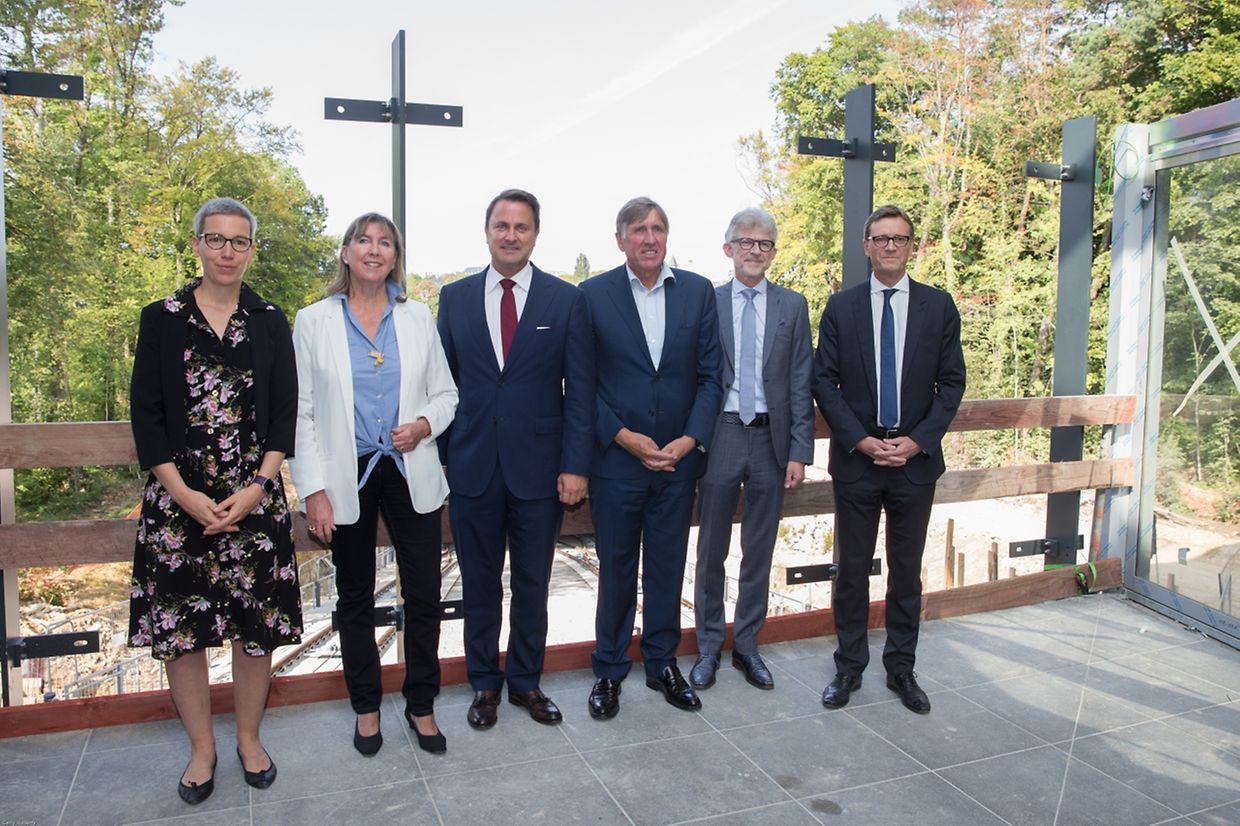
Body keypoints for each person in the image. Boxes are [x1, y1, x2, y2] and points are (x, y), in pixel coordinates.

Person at [128, 197, 301, 804]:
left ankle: (248, 739)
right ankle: (202, 749)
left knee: (255, 629)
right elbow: (146, 417)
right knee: (185, 630)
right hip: (180, 503)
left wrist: (257, 487)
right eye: (216, 239)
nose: (228, 251)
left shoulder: (272, 319)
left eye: (240, 241)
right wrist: (182, 494)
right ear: (198, 244)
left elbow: (285, 413)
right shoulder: (163, 317)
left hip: (256, 496)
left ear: (252, 249)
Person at [288, 213, 458, 754]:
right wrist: (312, 489)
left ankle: (422, 704)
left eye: (386, 242)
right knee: (355, 596)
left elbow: (446, 394)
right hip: (347, 473)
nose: (374, 249)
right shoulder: (313, 321)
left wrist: (424, 425)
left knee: (425, 594)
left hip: (410, 467)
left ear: (395, 257)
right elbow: (302, 414)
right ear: (345, 252)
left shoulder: (417, 316)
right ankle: (366, 706)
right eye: (364, 239)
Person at [437, 189, 594, 729]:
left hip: (539, 471)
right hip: (473, 467)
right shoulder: (454, 299)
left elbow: (581, 390)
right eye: (501, 225)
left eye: (521, 227)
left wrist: (575, 465)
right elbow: (443, 387)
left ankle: (526, 682)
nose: (510, 235)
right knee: (478, 585)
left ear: (535, 235)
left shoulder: (564, 299)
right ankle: (484, 684)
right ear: (486, 231)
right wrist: (442, 461)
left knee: (532, 584)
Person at [812, 204, 966, 715]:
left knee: (906, 570)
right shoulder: (842, 307)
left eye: (900, 238)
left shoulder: (938, 307)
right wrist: (858, 439)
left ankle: (901, 667)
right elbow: (823, 383)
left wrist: (918, 440)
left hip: (914, 461)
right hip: (858, 459)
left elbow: (952, 383)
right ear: (867, 246)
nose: (891, 246)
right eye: (881, 238)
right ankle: (848, 667)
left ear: (913, 245)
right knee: (852, 569)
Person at [580, 196, 723, 718]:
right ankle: (609, 669)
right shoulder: (592, 296)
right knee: (616, 569)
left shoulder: (698, 292)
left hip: (679, 461)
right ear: (620, 239)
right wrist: (622, 437)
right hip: (618, 463)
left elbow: (712, 377)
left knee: (667, 566)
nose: (649, 237)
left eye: (658, 228)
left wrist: (689, 441)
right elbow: (582, 384)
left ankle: (663, 663)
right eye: (638, 229)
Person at [689, 208, 814, 692]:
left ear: (773, 252)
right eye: (746, 242)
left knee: (758, 549)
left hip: (771, 441)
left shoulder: (792, 306)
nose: (755, 251)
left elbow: (801, 380)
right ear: (729, 249)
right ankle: (706, 649)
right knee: (710, 550)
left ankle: (747, 646)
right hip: (719, 436)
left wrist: (800, 450)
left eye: (764, 244)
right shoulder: (708, 302)